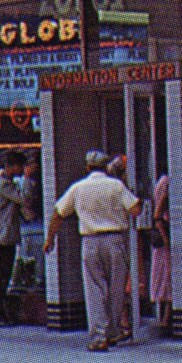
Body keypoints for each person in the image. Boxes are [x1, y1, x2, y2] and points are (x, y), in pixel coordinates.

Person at [44, 150, 142, 352]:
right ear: (106, 167)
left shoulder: (78, 187)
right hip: (116, 240)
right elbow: (135, 209)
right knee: (116, 287)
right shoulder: (116, 185)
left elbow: (58, 213)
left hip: (90, 241)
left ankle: (98, 336)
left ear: (88, 167)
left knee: (94, 289)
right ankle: (113, 330)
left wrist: (50, 239)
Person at [0, 150, 35, 326]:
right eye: (21, 167)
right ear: (13, 166)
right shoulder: (2, 183)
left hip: (4, 236)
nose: (22, 170)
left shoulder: (6, 181)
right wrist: (26, 179)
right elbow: (24, 199)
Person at [150, 172, 172, 329]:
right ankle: (166, 319)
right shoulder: (167, 183)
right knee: (167, 277)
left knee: (165, 277)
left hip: (162, 240)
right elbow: (157, 215)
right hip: (165, 239)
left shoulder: (160, 181)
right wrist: (165, 238)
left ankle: (166, 317)